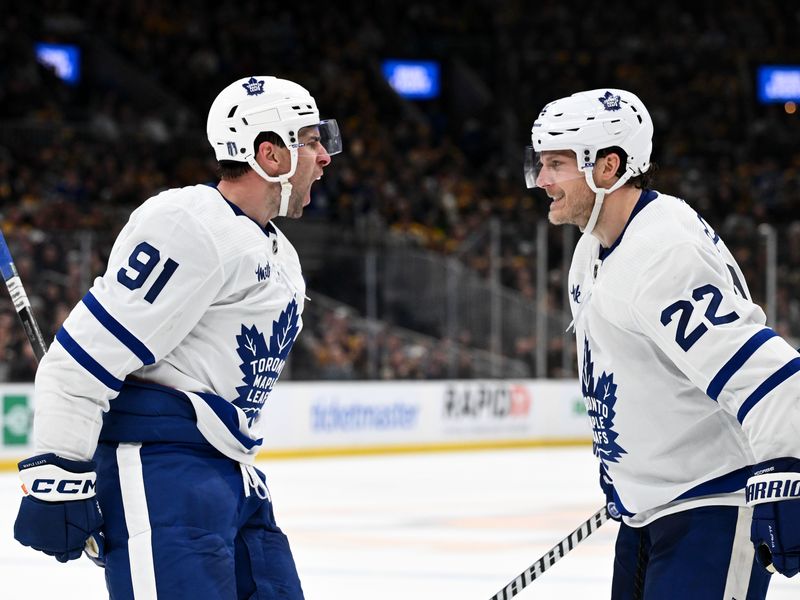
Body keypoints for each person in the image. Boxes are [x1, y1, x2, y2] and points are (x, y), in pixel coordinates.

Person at [13, 75, 341, 599]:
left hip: (233, 479)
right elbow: (82, 360)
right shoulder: (191, 224)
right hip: (160, 474)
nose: (325, 156)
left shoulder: (280, 254)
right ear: (269, 155)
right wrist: (58, 472)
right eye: (310, 140)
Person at [525, 88, 800, 599]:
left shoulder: (662, 254)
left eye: (555, 164)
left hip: (712, 506)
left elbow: (776, 381)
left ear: (608, 167)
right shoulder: (594, 248)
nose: (541, 180)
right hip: (652, 513)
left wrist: (784, 475)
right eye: (539, 164)